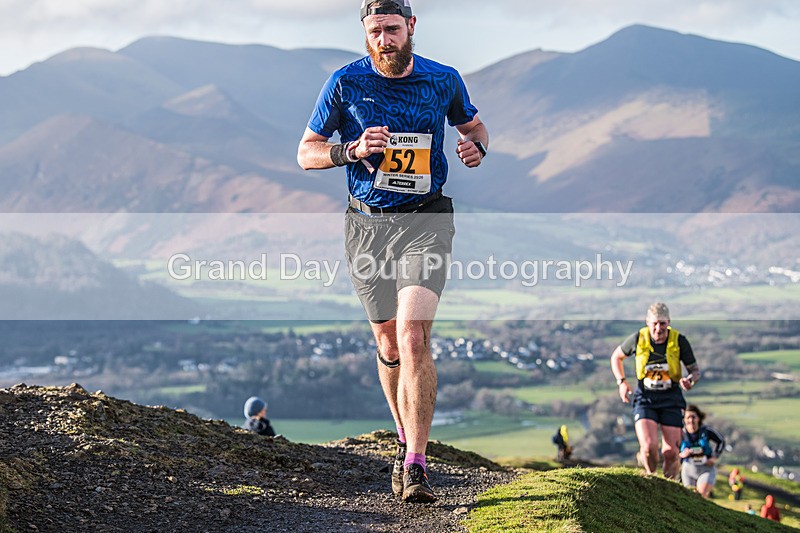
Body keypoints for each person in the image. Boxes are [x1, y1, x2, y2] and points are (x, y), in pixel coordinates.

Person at [297, 0, 488, 503]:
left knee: (412, 335)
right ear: (366, 33)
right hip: (366, 226)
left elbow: (473, 127)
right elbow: (306, 151)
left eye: (392, 29)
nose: (384, 39)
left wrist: (477, 148)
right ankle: (403, 434)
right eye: (375, 31)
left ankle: (416, 465)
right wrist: (352, 150)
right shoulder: (345, 82)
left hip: (426, 219)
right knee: (388, 343)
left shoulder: (443, 79)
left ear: (411, 27)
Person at [610, 302, 700, 479]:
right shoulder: (638, 338)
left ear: (669, 322)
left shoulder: (679, 341)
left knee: (671, 453)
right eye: (655, 324)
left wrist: (690, 380)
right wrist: (622, 382)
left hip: (671, 398)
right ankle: (651, 478)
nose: (659, 328)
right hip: (645, 397)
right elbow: (616, 357)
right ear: (647, 322)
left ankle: (669, 486)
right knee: (649, 447)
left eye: (663, 323)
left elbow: (695, 370)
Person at [679, 404, 725, 498]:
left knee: (701, 495)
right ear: (684, 419)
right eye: (688, 417)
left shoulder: (706, 431)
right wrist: (682, 455)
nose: (691, 420)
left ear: (698, 418)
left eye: (693, 417)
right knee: (690, 498)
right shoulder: (680, 433)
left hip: (706, 468)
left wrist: (715, 457)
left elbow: (721, 441)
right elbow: (673, 449)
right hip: (688, 469)